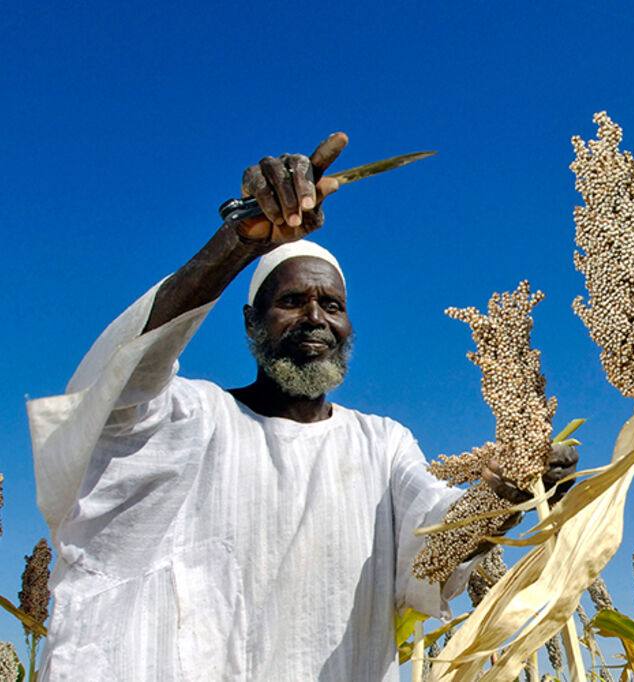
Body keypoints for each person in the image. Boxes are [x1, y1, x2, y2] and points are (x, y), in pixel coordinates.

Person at [26, 133, 574, 680]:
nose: (316, 318)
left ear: (349, 327)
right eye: (292, 301)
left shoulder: (380, 444)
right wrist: (239, 240)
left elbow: (432, 547)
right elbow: (114, 388)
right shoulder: (193, 420)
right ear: (250, 324)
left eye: (331, 305)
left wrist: (504, 494)